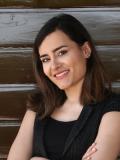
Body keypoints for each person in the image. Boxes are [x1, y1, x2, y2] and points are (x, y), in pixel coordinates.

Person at [7, 14, 120, 160]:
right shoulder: (38, 107)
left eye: (62, 52)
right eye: (46, 59)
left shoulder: (113, 109)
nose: (54, 66)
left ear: (85, 50)